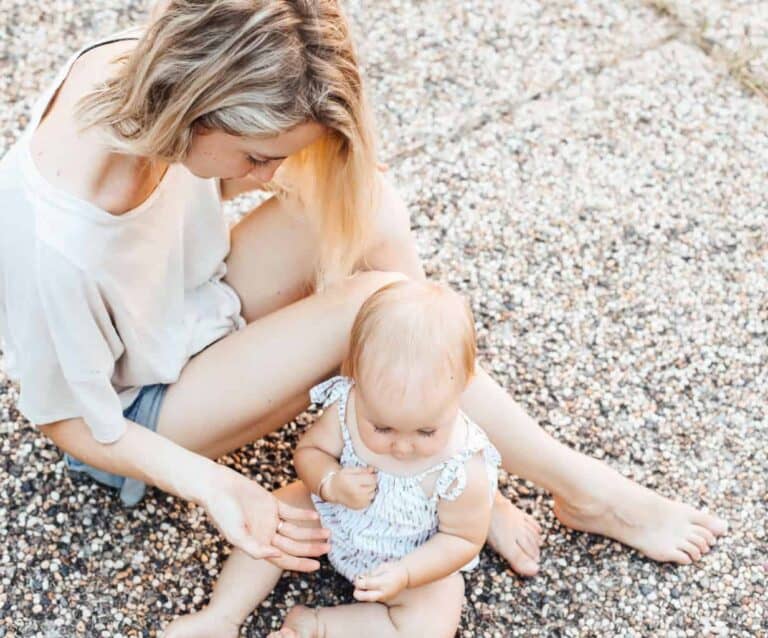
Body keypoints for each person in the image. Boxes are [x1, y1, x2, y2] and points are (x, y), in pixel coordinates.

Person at [0, 0, 725, 589]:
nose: (261, 179)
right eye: (258, 157)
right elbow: (67, 423)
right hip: (141, 411)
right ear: (195, 108)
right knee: (372, 306)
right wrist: (219, 488)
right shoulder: (55, 238)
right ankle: (579, 487)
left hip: (194, 305)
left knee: (365, 200)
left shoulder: (144, 67)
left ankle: (451, 453)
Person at [164, 280, 501, 638]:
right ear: (355, 380)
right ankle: (222, 616)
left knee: (433, 618)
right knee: (276, 510)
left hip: (410, 556)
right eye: (383, 428)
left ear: (463, 387)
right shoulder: (349, 406)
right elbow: (310, 452)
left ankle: (319, 627)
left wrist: (406, 573)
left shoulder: (462, 469)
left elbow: (461, 540)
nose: (402, 447)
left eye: (425, 432)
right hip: (332, 520)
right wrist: (328, 482)